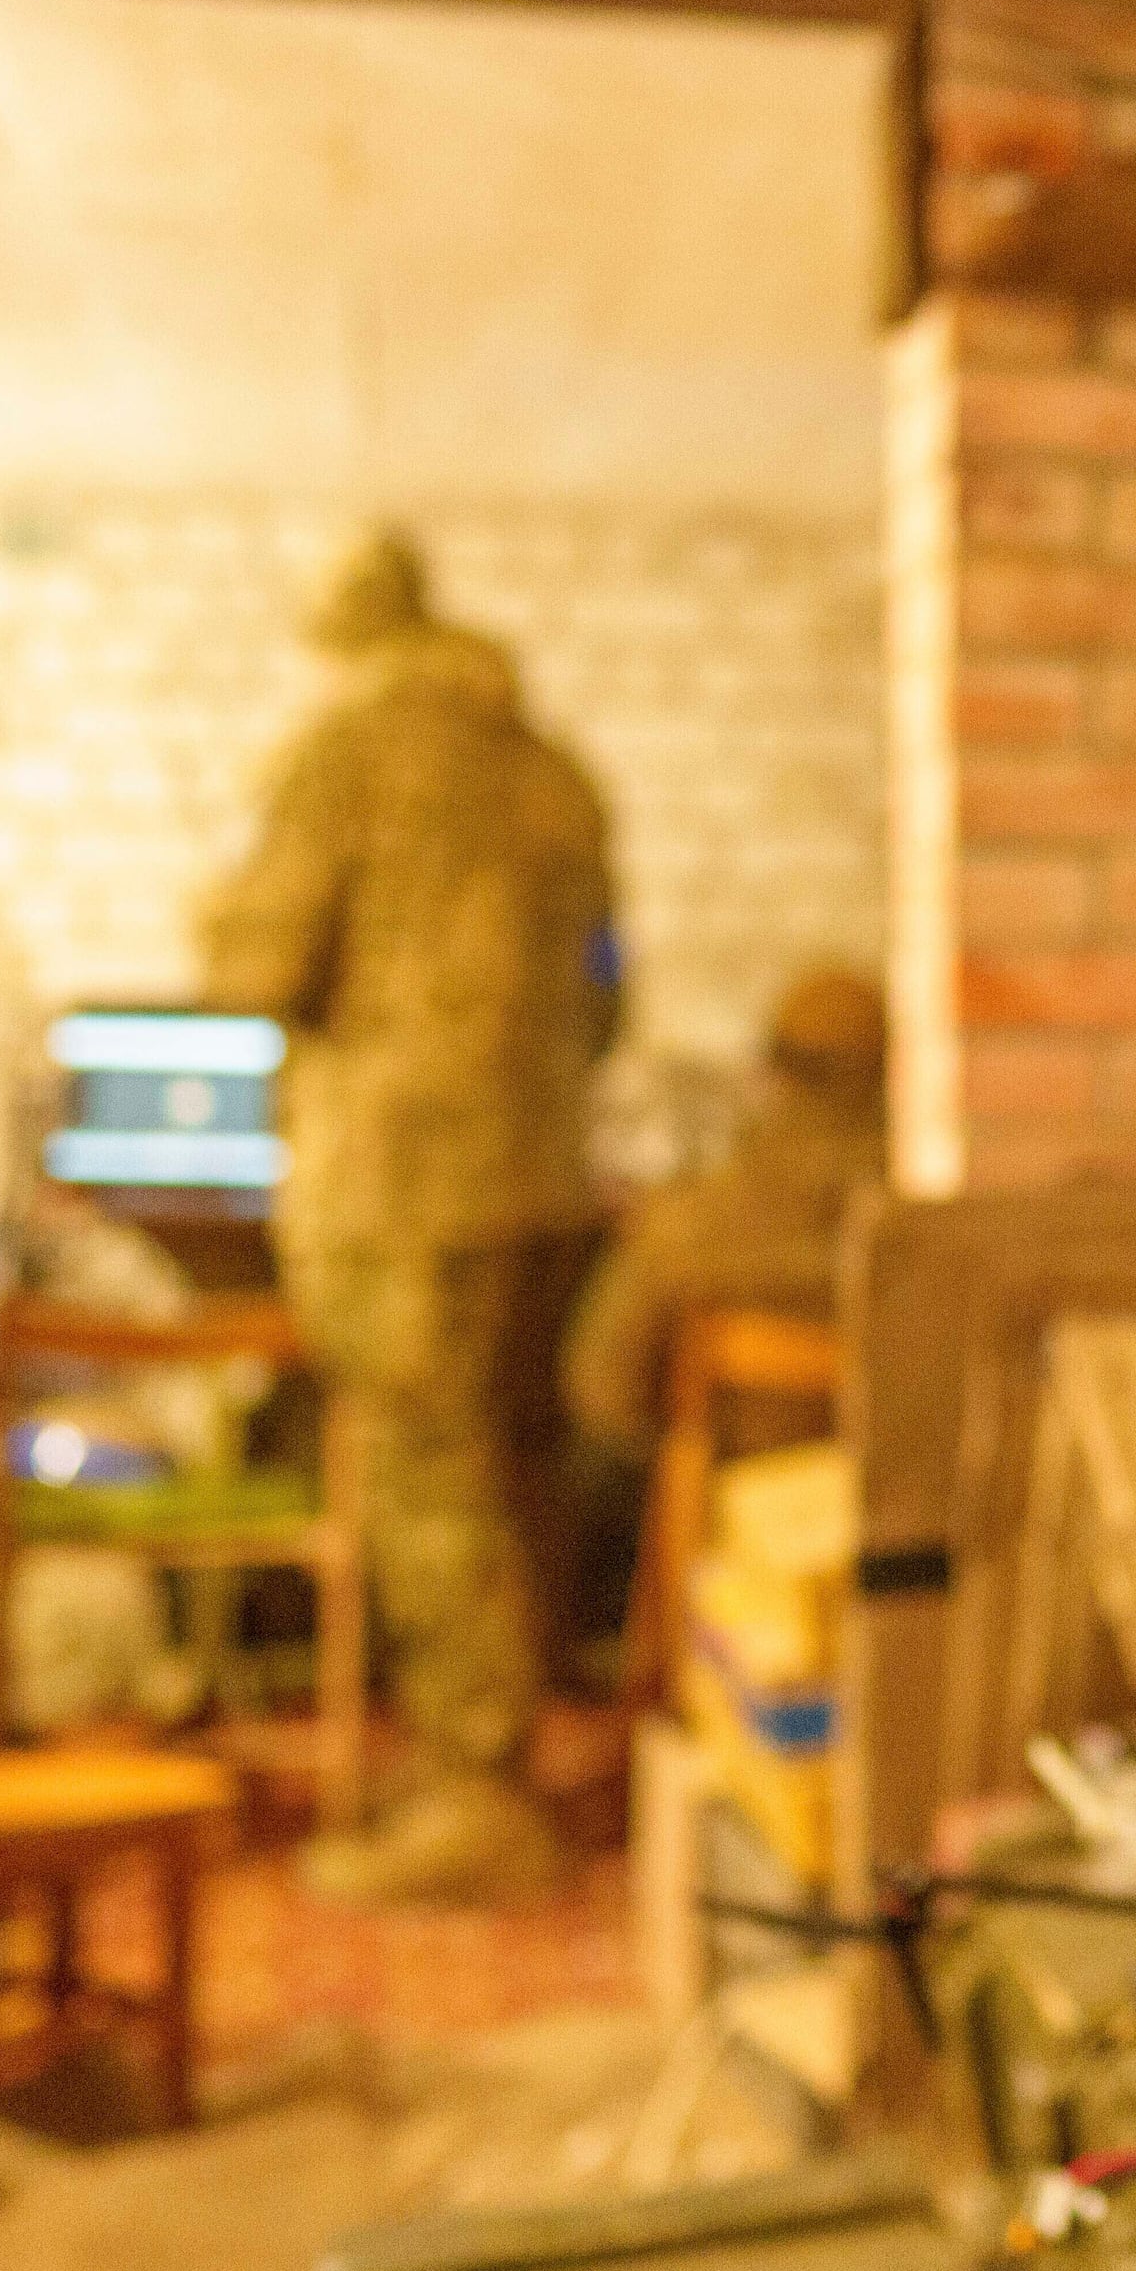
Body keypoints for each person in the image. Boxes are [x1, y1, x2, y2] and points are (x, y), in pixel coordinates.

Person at [205, 528, 618, 1907]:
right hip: (544, 1176)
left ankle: (478, 1791)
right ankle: (509, 1751)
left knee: (422, 1478)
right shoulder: (557, 775)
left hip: (395, 1183)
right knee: (510, 1470)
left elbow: (259, 962)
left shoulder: (345, 755)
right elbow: (611, 1001)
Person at [559, 964, 887, 1466]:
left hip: (738, 1509)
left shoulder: (688, 1220)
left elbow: (602, 1389)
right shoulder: (921, 1223)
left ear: (772, 1068)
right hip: (904, 1514)